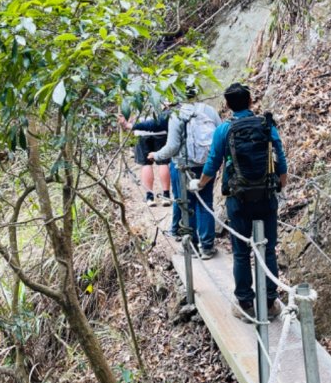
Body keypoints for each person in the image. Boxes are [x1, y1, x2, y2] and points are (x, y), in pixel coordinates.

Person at [194, 83, 288, 320]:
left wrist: (201, 184)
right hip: (266, 196)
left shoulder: (224, 130)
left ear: (227, 105)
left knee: (240, 253)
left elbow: (213, 163)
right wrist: (281, 183)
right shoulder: (265, 125)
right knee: (268, 250)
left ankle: (245, 304)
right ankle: (269, 302)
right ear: (250, 101)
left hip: (238, 199)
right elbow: (280, 154)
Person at [147, 89, 222, 258]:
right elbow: (219, 135)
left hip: (184, 167)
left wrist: (156, 155)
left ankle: (192, 246)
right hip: (207, 165)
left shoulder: (177, 115)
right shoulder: (209, 111)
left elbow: (172, 146)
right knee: (205, 203)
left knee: (188, 205)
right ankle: (207, 247)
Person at [117, 109, 172, 206]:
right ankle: (166, 196)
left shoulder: (135, 94)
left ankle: (149, 197)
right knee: (163, 163)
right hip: (160, 130)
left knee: (146, 164)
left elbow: (131, 112)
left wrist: (127, 124)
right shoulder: (165, 94)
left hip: (141, 131)